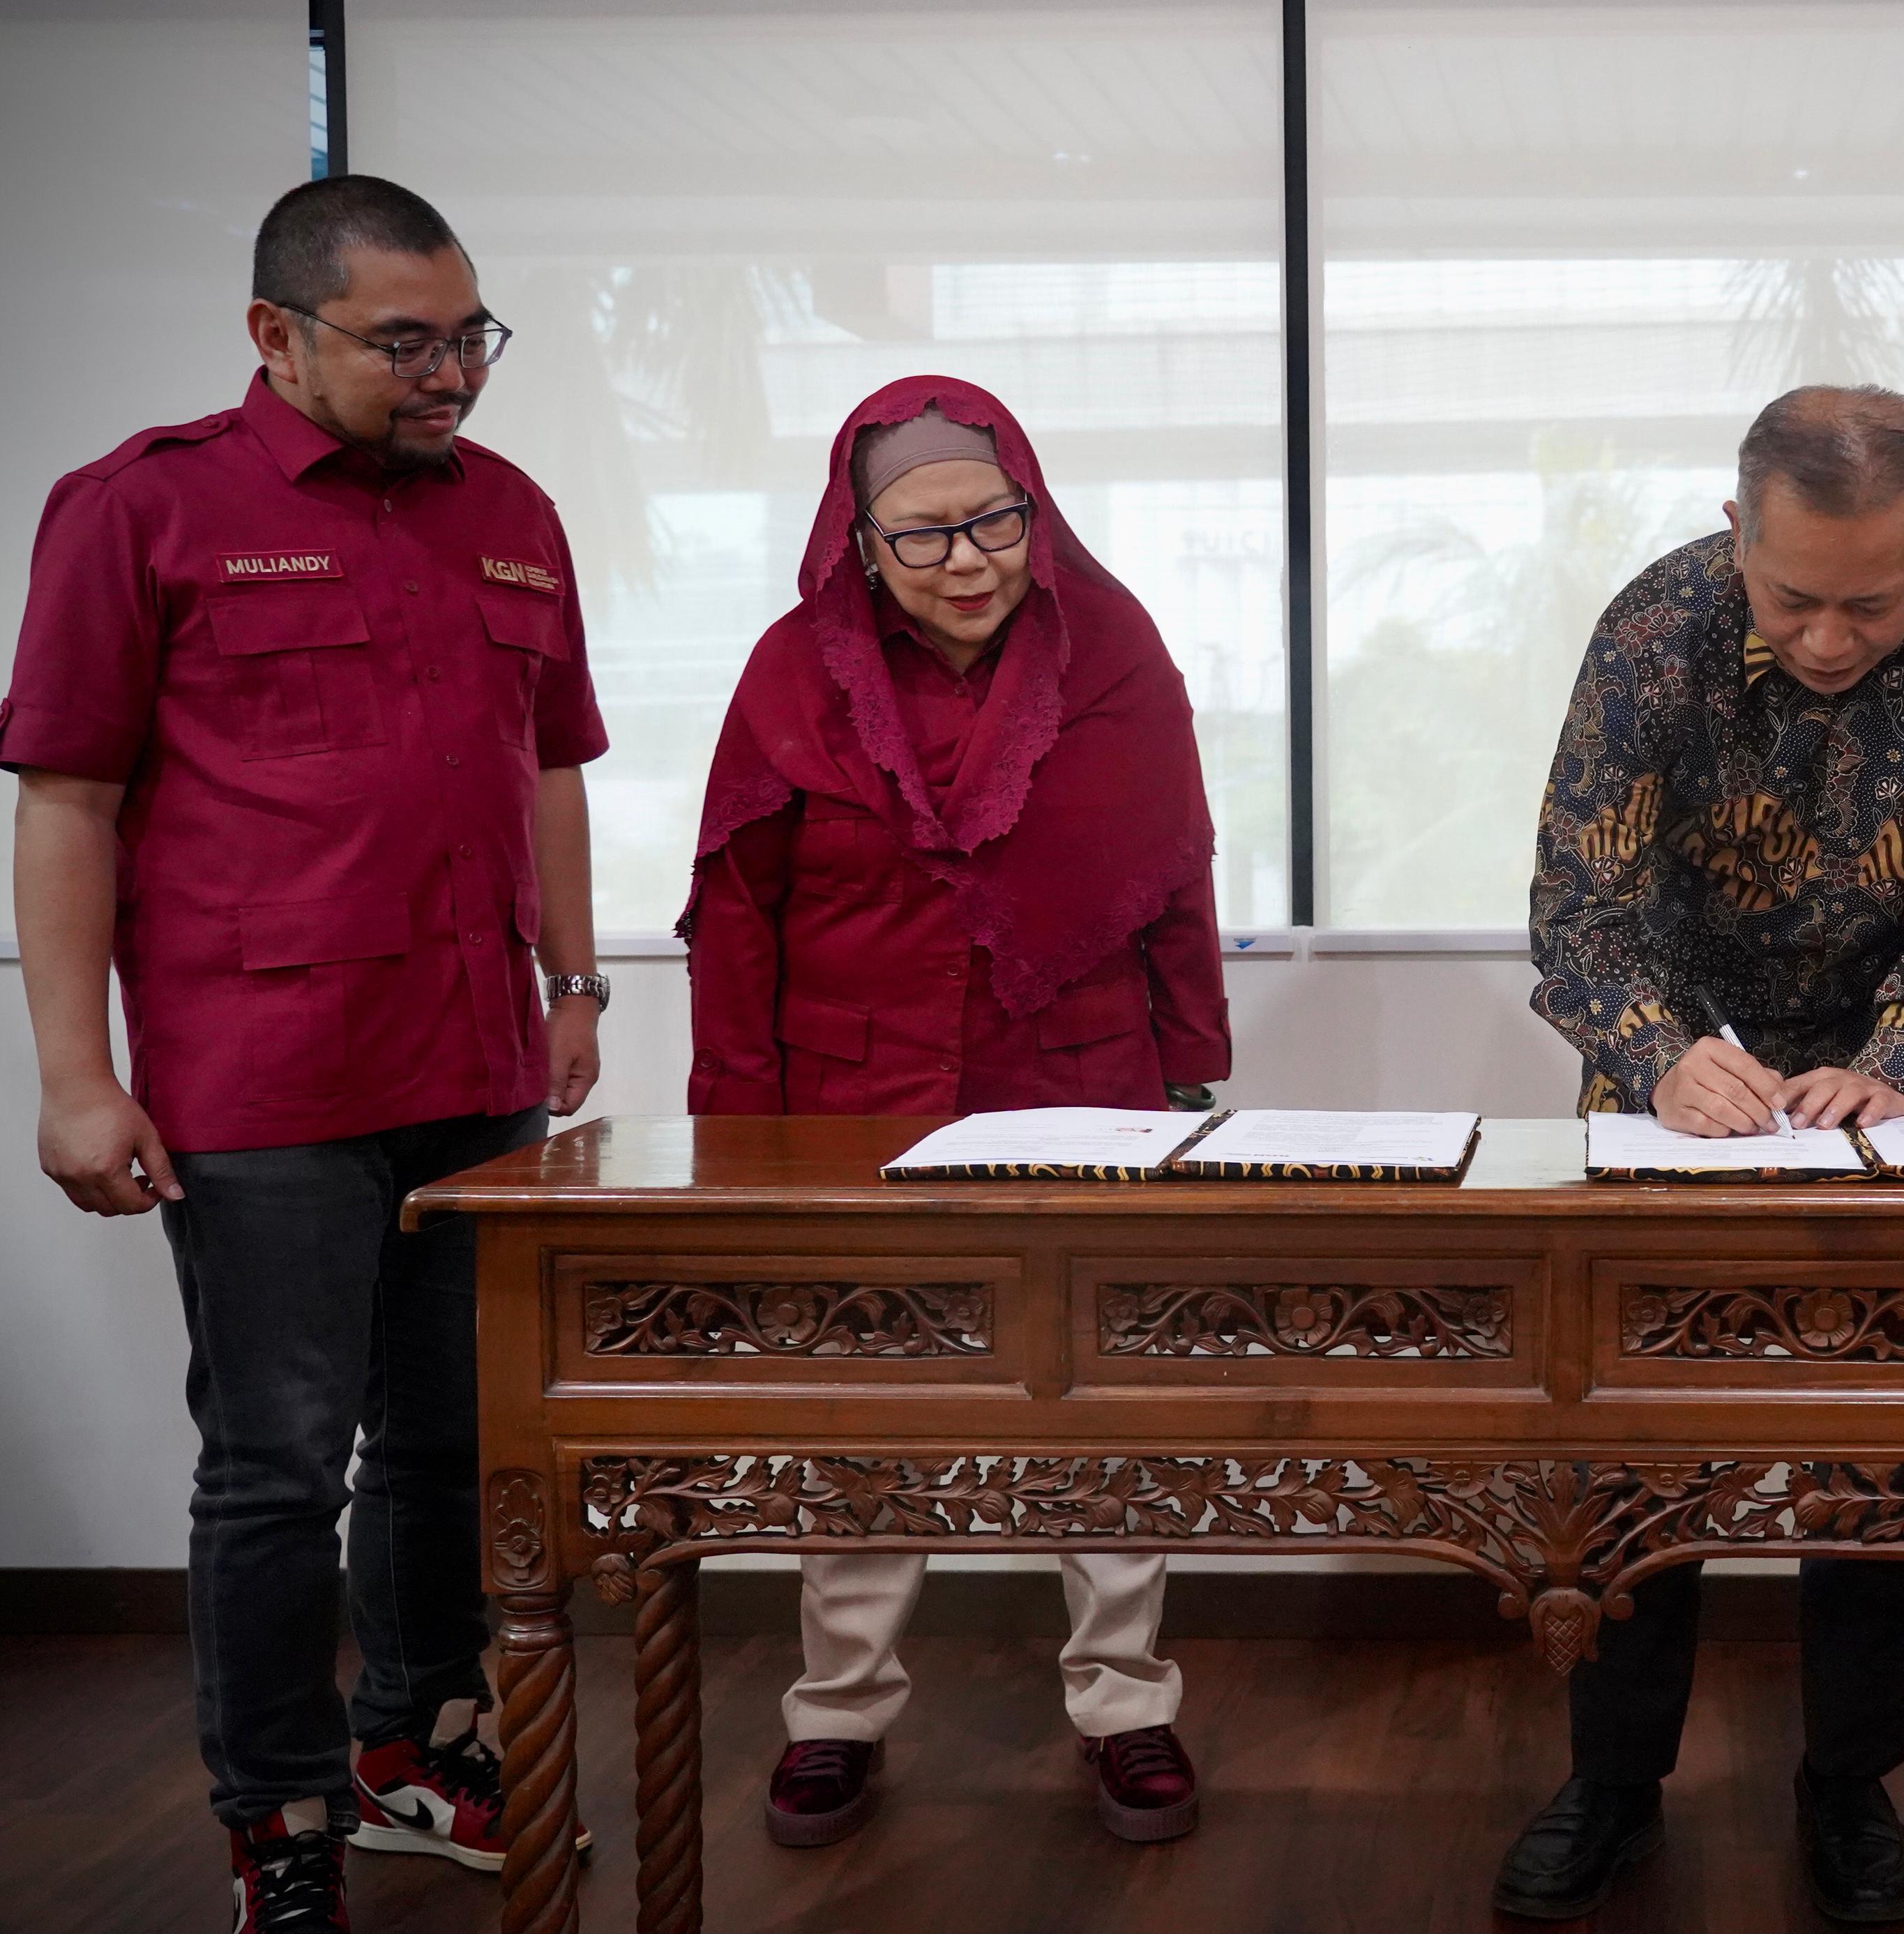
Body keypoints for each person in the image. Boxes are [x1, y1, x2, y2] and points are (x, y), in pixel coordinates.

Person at [3, 176, 608, 1933]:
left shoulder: (512, 511)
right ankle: (276, 1824)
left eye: (470, 337)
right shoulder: (145, 508)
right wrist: (72, 1073)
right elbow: (68, 800)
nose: (451, 378)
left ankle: (411, 1748)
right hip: (260, 1075)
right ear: (274, 334)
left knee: (445, 1447)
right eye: (403, 344)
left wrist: (577, 982)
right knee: (276, 1458)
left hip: (473, 1056)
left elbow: (548, 762)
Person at [1513, 384, 1904, 1923]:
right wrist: (1653, 1051)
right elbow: (1574, 907)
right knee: (1632, 1444)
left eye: (1870, 605)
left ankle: (1848, 1786)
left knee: (1886, 1456)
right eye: (1792, 598)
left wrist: (1895, 1056)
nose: (1828, 638)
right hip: (1682, 1076)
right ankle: (1613, 1783)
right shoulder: (1655, 629)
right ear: (1734, 528)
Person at [681, 376, 1229, 1852]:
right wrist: (734, 1125)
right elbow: (735, 905)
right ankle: (837, 1714)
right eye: (921, 536)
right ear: (855, 542)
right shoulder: (791, 674)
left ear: (1032, 506)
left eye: (995, 519)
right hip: (848, 1101)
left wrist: (1191, 1070)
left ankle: (1126, 1703)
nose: (969, 558)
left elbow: (1173, 868)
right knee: (859, 1426)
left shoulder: (1111, 650)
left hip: (1081, 1080)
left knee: (1098, 1409)